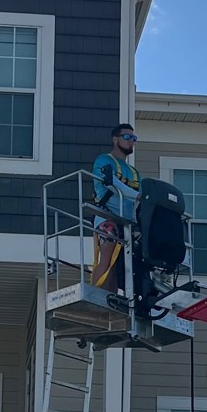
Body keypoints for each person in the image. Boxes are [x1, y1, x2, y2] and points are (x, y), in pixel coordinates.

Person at [90, 122, 141, 292]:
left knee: (124, 263)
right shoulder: (104, 160)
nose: (131, 141)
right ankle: (97, 294)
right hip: (107, 215)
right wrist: (139, 196)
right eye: (127, 137)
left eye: (134, 138)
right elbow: (112, 183)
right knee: (108, 250)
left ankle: (113, 300)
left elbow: (139, 199)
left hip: (128, 223)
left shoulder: (134, 172)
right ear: (115, 139)